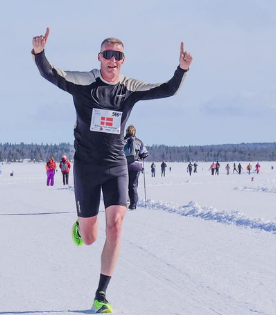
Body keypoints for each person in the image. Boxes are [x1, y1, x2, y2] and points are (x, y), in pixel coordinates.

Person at [32, 27, 192, 313]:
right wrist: (40, 53)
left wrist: (181, 69)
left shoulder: (129, 87)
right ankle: (81, 226)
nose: (112, 60)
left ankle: (101, 295)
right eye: (107, 54)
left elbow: (165, 89)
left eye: (117, 55)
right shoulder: (84, 82)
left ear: (123, 59)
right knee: (91, 237)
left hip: (117, 165)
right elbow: (51, 74)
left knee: (116, 226)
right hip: (86, 166)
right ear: (100, 57)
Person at [123, 125, 148, 209]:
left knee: (123, 185)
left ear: (126, 131)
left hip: (124, 165)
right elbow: (145, 153)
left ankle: (123, 203)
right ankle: (133, 204)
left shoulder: (122, 141)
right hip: (136, 165)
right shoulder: (139, 142)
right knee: (133, 185)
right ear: (134, 132)